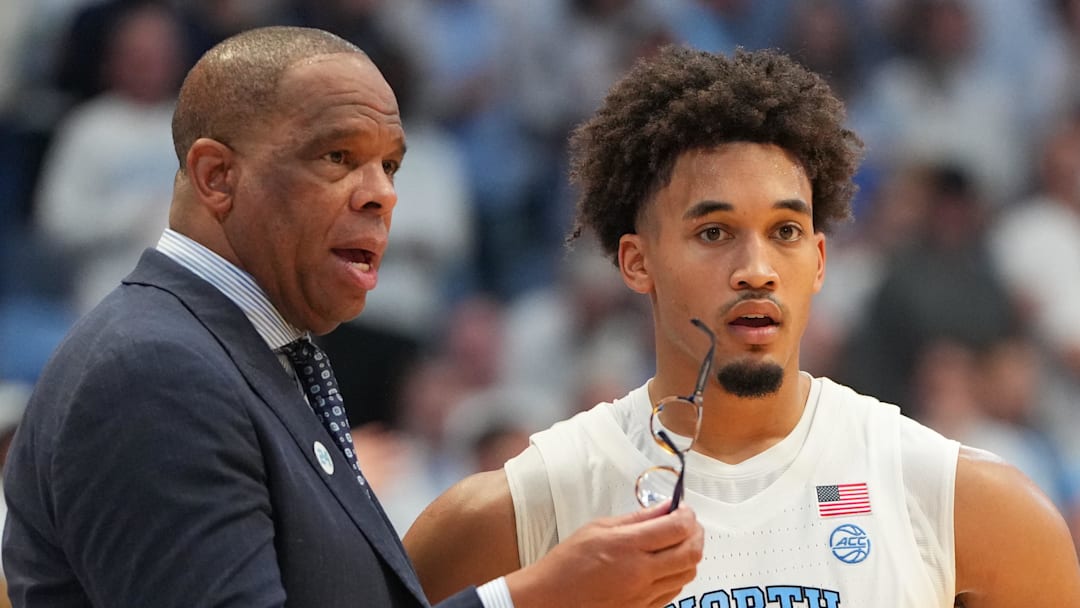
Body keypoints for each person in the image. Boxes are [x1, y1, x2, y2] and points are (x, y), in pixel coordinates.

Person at [1, 26, 704, 608]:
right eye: (338, 157)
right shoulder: (153, 371)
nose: (380, 197)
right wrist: (533, 599)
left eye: (391, 167)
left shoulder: (253, 358)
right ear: (217, 177)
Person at [403, 46, 1080, 606]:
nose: (756, 268)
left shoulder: (964, 503)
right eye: (715, 231)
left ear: (818, 262)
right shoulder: (514, 511)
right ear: (637, 263)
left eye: (785, 231)